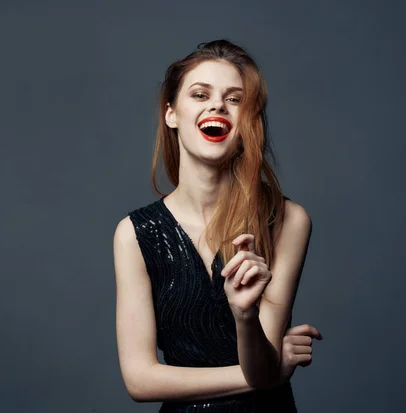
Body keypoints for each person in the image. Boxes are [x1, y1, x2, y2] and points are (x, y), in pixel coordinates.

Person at [113, 39, 323, 412]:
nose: (217, 106)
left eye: (235, 99)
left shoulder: (287, 220)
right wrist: (269, 372)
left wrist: (245, 316)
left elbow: (260, 367)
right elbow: (140, 380)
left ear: (248, 120)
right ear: (171, 113)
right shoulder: (134, 234)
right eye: (199, 94)